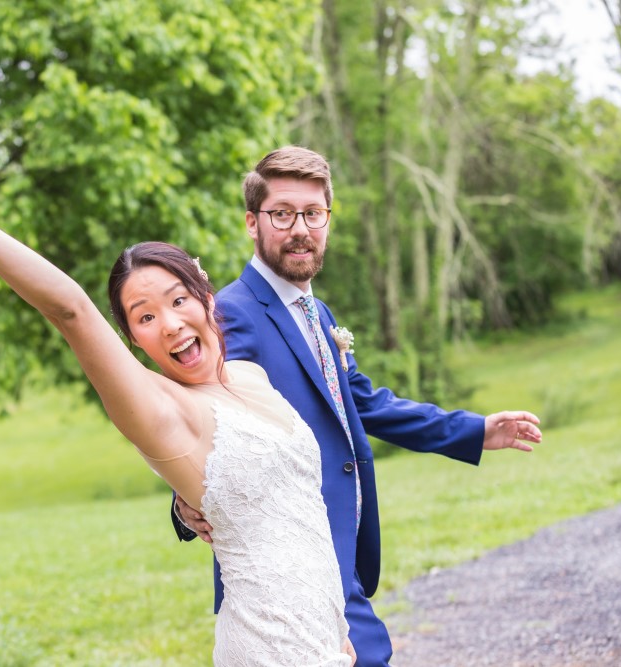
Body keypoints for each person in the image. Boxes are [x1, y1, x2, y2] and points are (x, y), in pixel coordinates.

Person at [0, 169, 356, 666]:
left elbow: (299, 518)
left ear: (206, 296)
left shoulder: (249, 375)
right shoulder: (159, 411)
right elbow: (70, 309)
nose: (172, 324)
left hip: (325, 637)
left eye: (179, 300)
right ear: (132, 341)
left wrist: (337, 628)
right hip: (270, 646)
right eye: (145, 317)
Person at [171, 145, 543, 667]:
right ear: (252, 223)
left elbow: (362, 403)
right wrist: (185, 504)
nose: (300, 227)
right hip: (289, 559)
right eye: (282, 213)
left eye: (314, 213)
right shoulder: (232, 313)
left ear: (327, 219)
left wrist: (475, 430)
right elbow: (210, 419)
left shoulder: (315, 310)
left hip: (336, 551)